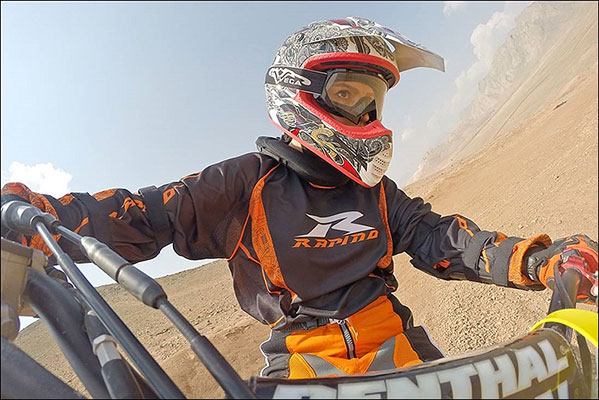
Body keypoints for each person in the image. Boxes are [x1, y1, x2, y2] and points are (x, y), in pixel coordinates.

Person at [2, 16, 597, 379]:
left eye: (374, 101)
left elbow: (443, 238)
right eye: (349, 94)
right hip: (299, 363)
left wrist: (541, 260)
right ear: (301, 94)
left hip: (399, 347)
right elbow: (144, 213)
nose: (367, 114)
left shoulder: (376, 192)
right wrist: (37, 217)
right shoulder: (244, 184)